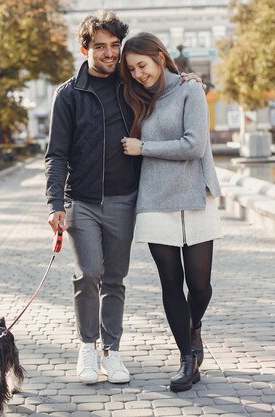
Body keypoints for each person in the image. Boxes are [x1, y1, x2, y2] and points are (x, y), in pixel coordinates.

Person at [45, 11, 200, 385]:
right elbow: (56, 155)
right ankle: (87, 347)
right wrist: (54, 205)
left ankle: (111, 353)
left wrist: (190, 81)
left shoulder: (130, 86)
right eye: (101, 46)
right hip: (81, 200)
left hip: (124, 200)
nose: (111, 53)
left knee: (115, 278)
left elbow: (167, 85)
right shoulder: (68, 95)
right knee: (88, 275)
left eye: (115, 45)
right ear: (85, 49)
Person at [119, 32, 222, 392]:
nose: (138, 74)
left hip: (196, 194)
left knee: (200, 285)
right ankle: (187, 358)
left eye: (142, 65)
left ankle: (194, 327)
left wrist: (144, 147)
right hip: (154, 200)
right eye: (131, 69)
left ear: (160, 57)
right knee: (170, 282)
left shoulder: (191, 89)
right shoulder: (133, 97)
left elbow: (194, 146)